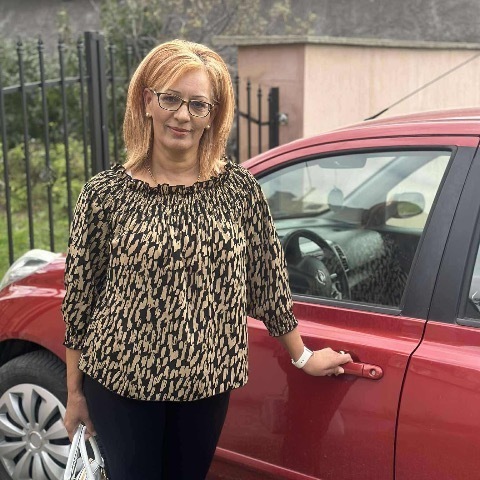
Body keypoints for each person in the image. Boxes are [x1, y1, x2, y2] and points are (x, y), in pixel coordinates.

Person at [62, 39, 352, 480]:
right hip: (120, 383)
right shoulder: (105, 195)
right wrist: (74, 393)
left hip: (206, 383)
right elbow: (80, 300)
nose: (182, 115)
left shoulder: (239, 190)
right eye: (171, 98)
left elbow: (268, 282)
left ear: (213, 115)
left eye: (198, 104)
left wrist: (302, 356)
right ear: (147, 101)